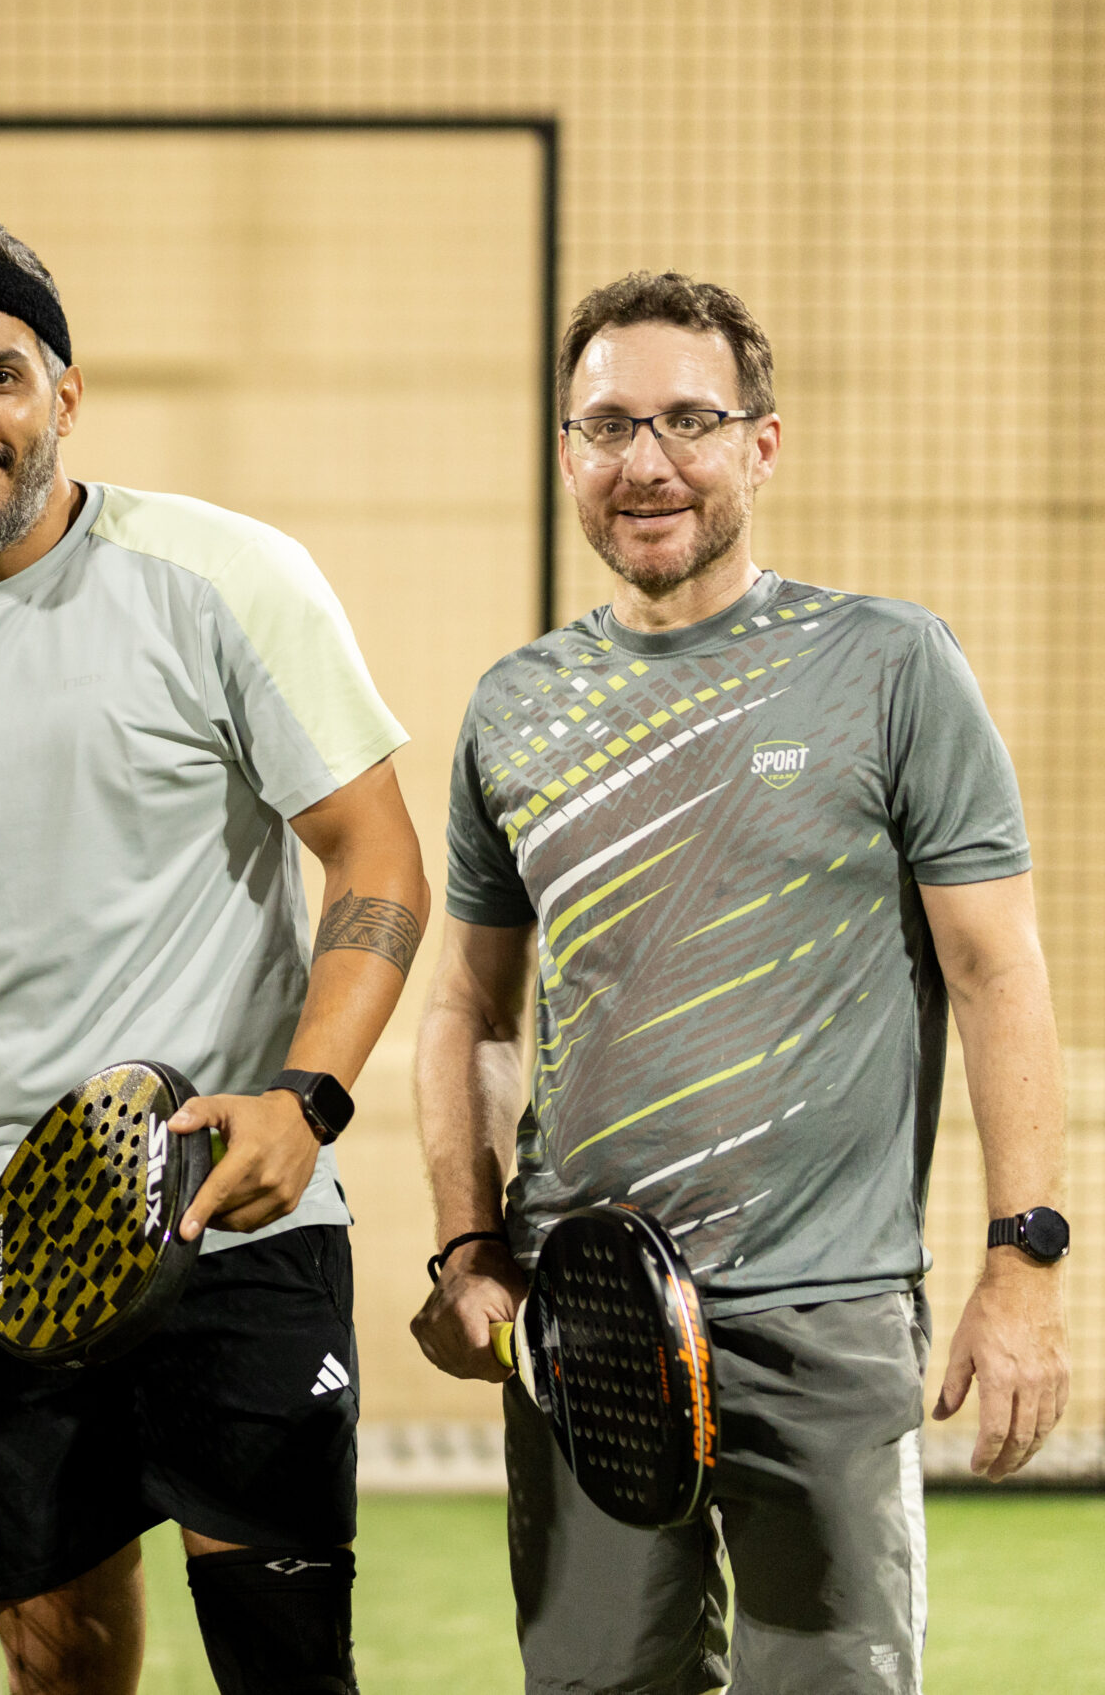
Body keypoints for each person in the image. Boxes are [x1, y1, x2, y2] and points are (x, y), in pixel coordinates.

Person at [0, 216, 429, 1695]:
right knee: (55, 1664)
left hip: (233, 1217)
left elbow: (378, 861)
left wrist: (306, 1101)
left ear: (66, 392)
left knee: (286, 1664)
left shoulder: (225, 576)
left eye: (0, 373)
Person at [411, 271, 1073, 1694]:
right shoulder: (514, 707)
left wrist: (1023, 1264)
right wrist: (467, 1243)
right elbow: (467, 1006)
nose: (646, 461)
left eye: (689, 420)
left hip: (822, 1311)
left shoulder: (887, 663)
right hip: (587, 1317)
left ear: (761, 445)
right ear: (568, 453)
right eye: (608, 425)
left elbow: (997, 966)